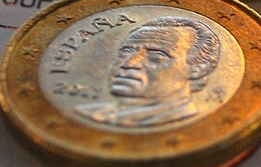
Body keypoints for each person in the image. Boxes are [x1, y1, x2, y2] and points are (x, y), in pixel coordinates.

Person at [75, 16, 222, 128]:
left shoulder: (186, 120)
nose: (128, 64)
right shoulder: (87, 113)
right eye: (126, 52)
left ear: (199, 68)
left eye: (156, 56)